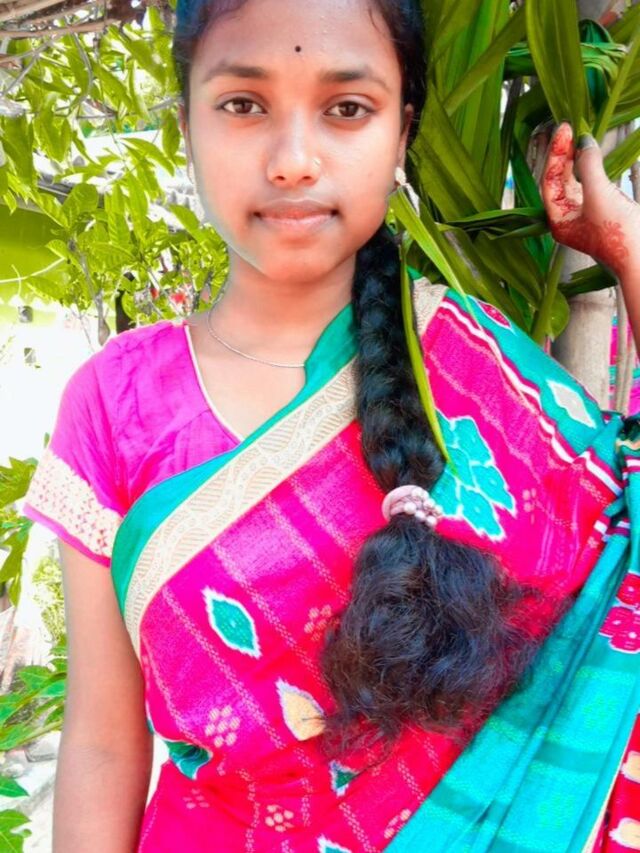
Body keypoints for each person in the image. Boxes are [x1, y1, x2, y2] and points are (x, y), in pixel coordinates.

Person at [21, 0, 640, 850]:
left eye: (347, 108)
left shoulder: (473, 363)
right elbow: (100, 742)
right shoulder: (116, 401)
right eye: (244, 104)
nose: (293, 160)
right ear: (186, 126)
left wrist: (625, 246)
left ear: (402, 133)